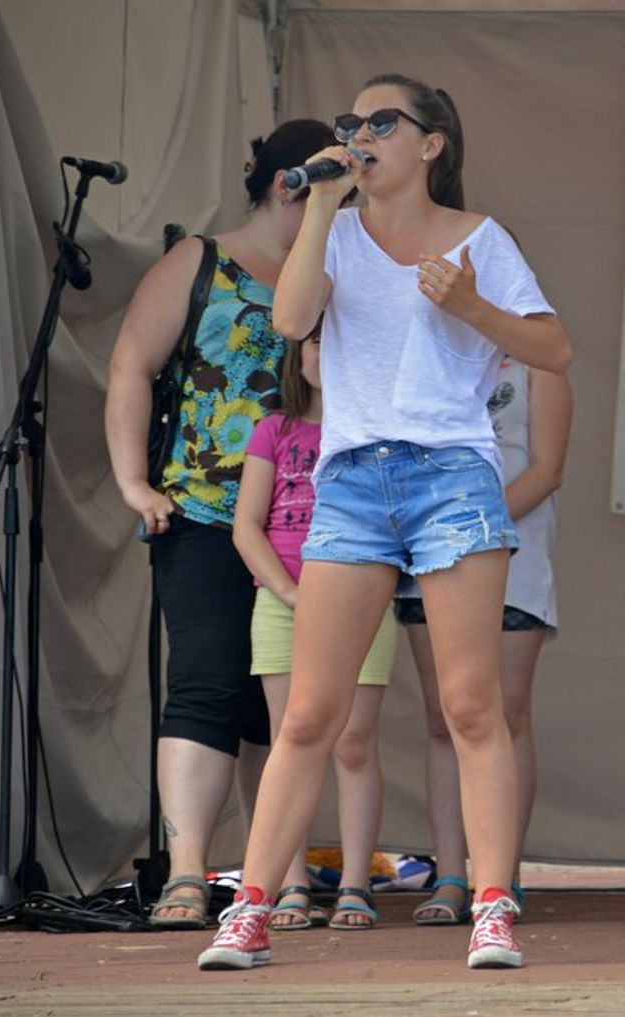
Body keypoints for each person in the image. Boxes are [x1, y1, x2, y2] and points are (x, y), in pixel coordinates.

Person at [196, 72, 570, 973]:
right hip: (354, 478)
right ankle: (249, 909)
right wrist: (325, 203)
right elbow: (292, 318)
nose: (359, 134)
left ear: (431, 143)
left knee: (470, 704)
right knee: (310, 712)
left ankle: (492, 905)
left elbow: (554, 348)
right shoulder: (336, 230)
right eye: (351, 122)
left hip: (451, 474)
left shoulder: (480, 238)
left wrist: (472, 307)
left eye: (380, 122)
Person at [104, 119, 338, 929]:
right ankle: (188, 873)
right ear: (285, 185)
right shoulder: (198, 260)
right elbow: (131, 364)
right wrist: (133, 482)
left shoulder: (334, 269)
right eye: (327, 191)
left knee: (287, 699)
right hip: (203, 508)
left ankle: (281, 877)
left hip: (307, 517)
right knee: (207, 678)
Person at [231, 335, 400, 931]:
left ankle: (356, 883)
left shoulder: (378, 431)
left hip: (360, 600)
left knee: (354, 741)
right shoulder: (273, 429)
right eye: (316, 343)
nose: (326, 355)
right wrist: (290, 593)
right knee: (291, 739)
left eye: (340, 342)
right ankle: (290, 883)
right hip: (282, 603)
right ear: (296, 355)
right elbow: (246, 526)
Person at [398, 357, 573, 927]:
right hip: (430, 552)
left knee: (505, 713)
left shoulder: (539, 359)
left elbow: (547, 469)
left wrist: (474, 527)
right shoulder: (423, 349)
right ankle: (450, 876)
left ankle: (501, 874)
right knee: (443, 715)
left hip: (512, 554)